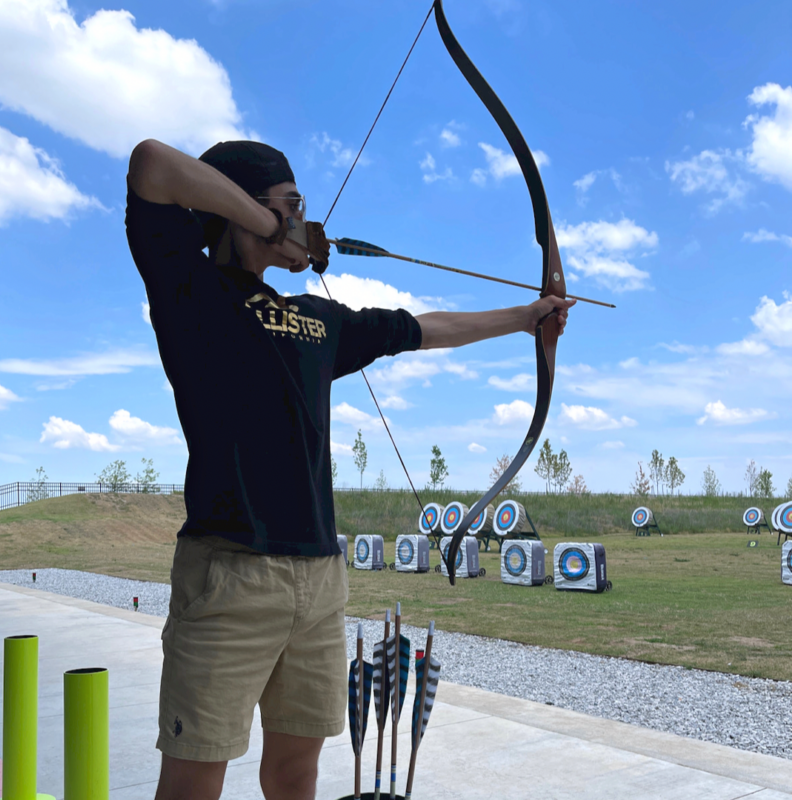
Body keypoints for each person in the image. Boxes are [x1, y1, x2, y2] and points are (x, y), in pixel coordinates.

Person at [125, 138, 574, 800]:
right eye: (290, 204)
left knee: (295, 773)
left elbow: (424, 328)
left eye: (300, 206)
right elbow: (152, 165)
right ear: (244, 208)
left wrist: (526, 319)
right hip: (230, 572)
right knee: (195, 780)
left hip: (319, 576)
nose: (302, 219)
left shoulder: (316, 318)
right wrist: (273, 224)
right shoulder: (188, 290)